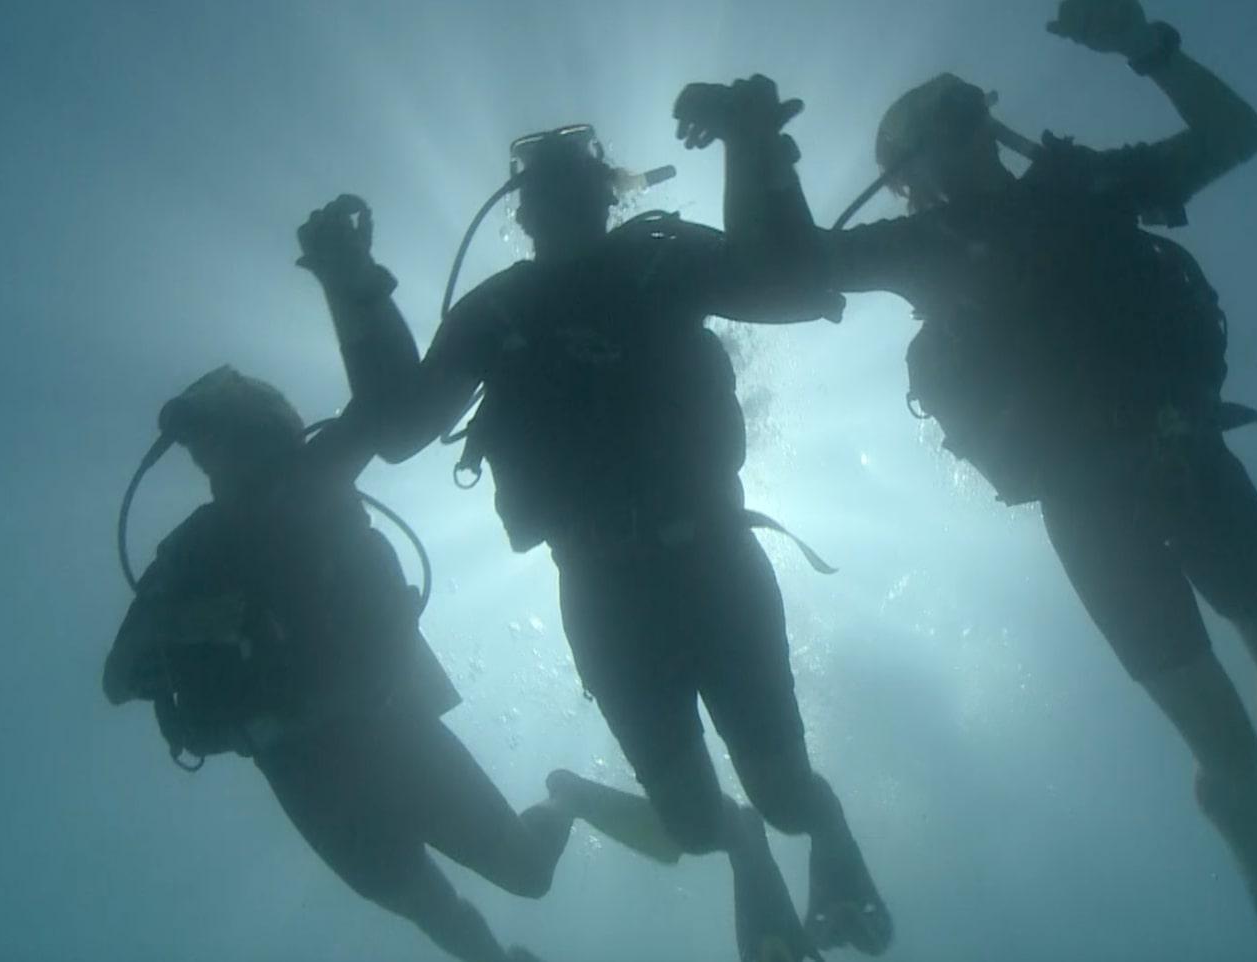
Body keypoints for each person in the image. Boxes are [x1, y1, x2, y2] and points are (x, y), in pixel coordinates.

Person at [686, 2, 1257, 960]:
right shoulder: (917, 251)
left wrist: (1147, 47)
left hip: (1194, 459)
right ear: (903, 179)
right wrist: (755, 150)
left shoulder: (1084, 185)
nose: (962, 136)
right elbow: (780, 274)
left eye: (966, 113)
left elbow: (1233, 136)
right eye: (936, 129)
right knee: (1223, 744)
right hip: (1091, 514)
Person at [295, 80, 889, 962]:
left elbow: (792, 286)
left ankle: (822, 828)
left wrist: (753, 144)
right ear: (524, 210)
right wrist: (354, 289)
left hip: (711, 563)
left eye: (574, 180)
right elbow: (401, 428)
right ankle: (744, 846)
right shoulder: (498, 311)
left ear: (607, 192)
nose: (559, 198)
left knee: (785, 794)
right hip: (604, 593)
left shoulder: (660, 259)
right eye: (546, 185)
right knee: (694, 825)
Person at [104, 366, 569, 962]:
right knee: (430, 908)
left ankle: (566, 797)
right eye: (203, 445)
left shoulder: (316, 479)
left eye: (222, 434)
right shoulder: (187, 552)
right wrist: (179, 623)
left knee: (526, 873)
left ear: (264, 429)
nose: (212, 456)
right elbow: (115, 680)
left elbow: (376, 413)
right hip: (300, 772)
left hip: (389, 727)